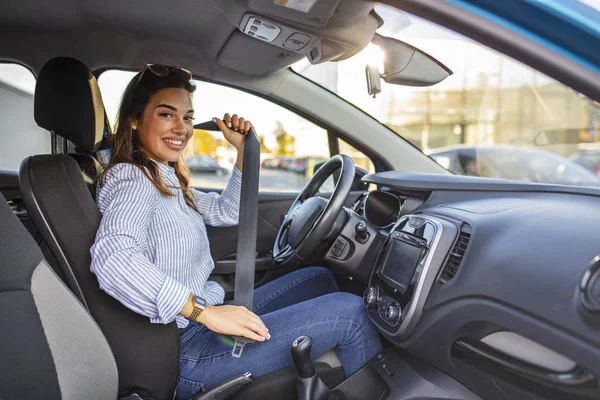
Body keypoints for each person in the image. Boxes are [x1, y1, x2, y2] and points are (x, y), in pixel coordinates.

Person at [90, 64, 382, 399]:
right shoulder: (131, 179)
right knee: (353, 314)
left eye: (187, 117)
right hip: (184, 349)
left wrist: (244, 150)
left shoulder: (164, 177)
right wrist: (206, 313)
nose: (182, 128)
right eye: (166, 115)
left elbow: (227, 211)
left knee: (317, 277)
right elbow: (113, 259)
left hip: (197, 319)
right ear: (134, 119)